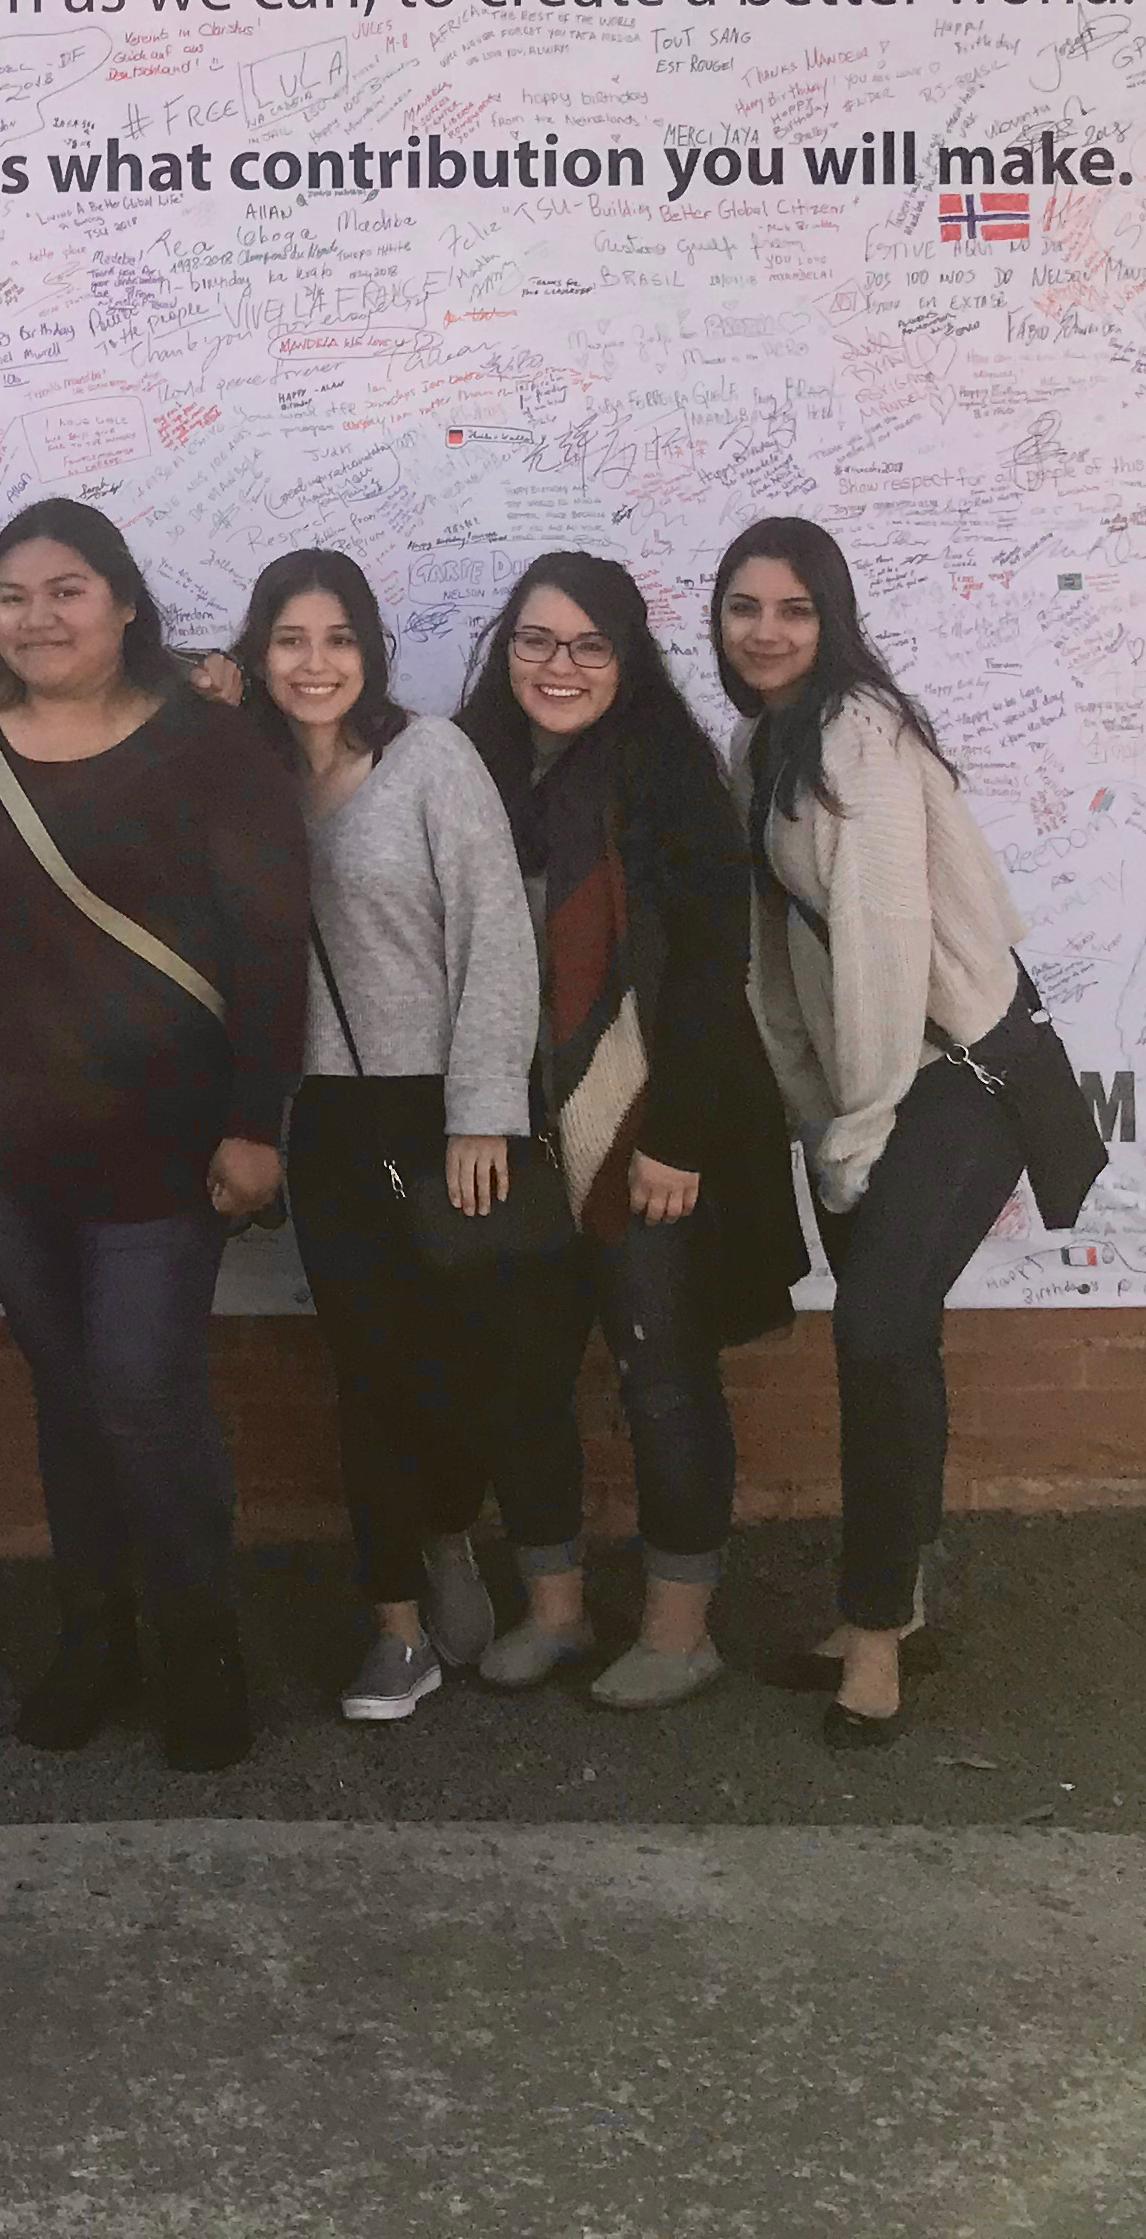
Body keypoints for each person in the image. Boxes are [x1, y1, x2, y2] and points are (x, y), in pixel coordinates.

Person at [0, 499, 307, 1771]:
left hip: (164, 1146)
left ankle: (200, 1647)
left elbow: (269, 939)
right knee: (70, 1402)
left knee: (146, 1399)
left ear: (126, 602)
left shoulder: (211, 742)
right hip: (14, 1148)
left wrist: (256, 1122)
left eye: (68, 590)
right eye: (14, 595)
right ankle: (95, 1641)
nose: (39, 617)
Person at [451, 553, 805, 1712]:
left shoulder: (668, 779)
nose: (559, 666)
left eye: (587, 644)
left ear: (627, 657)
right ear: (506, 651)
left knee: (663, 1374)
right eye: (536, 642)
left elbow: (712, 971)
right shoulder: (470, 769)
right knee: (514, 1375)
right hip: (510, 1133)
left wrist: (681, 1139)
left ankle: (678, 1627)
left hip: (648, 1133)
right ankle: (555, 1610)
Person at [715, 515, 1031, 1749]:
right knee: (895, 1343)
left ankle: (877, 1639)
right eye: (746, 607)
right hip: (874, 1083)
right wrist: (812, 1102)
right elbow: (774, 958)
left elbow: (887, 959)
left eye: (794, 610)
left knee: (876, 1332)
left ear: (832, 619)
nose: (768, 631)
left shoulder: (861, 735)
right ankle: (892, 1599)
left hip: (955, 1077)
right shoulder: (764, 741)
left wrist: (856, 1128)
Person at [233, 549, 549, 1725]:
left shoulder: (431, 761)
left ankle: (448, 1525)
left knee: (458, 1368)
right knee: (367, 1375)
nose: (315, 665)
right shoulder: (246, 775)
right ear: (259, 653)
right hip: (321, 1116)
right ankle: (396, 1630)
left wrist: (483, 1113)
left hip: (435, 1110)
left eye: (338, 640)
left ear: (369, 649)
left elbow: (496, 941)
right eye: (289, 641)